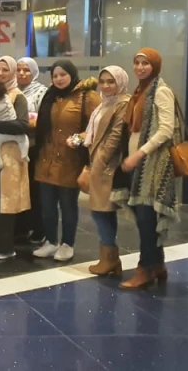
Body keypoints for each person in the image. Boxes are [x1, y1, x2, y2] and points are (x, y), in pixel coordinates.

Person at [115, 48, 180, 290]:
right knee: (146, 218)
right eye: (137, 63)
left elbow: (166, 129)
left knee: (145, 219)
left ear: (155, 66)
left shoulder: (161, 91)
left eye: (146, 63)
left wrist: (140, 153)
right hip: (139, 163)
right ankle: (158, 264)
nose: (140, 68)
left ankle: (145, 269)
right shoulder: (140, 91)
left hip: (153, 164)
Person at [32, 60, 99, 262]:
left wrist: (80, 137)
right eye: (55, 76)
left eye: (63, 75)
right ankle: (51, 241)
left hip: (71, 160)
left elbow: (97, 125)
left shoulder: (87, 96)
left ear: (72, 74)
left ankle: (67, 244)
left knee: (68, 205)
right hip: (46, 159)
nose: (59, 79)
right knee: (47, 205)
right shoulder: (51, 96)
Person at [78, 66, 131, 277]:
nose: (106, 86)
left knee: (100, 212)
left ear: (121, 82)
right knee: (104, 212)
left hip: (107, 166)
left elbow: (115, 137)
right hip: (100, 163)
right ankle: (110, 258)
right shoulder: (105, 103)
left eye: (111, 81)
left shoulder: (123, 103)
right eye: (103, 81)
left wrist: (98, 163)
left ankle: (109, 258)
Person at [0, 56, 32, 260]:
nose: (0, 73)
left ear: (13, 73)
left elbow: (23, 125)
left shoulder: (18, 97)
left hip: (10, 156)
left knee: (5, 203)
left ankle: (5, 247)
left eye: (5, 70)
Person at [15, 56, 49, 244]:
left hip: (33, 146)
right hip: (14, 146)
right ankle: (21, 227)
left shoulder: (41, 92)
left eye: (26, 70)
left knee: (33, 190)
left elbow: (43, 120)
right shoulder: (11, 90)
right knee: (18, 188)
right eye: (18, 69)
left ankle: (39, 228)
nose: (21, 73)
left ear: (34, 72)